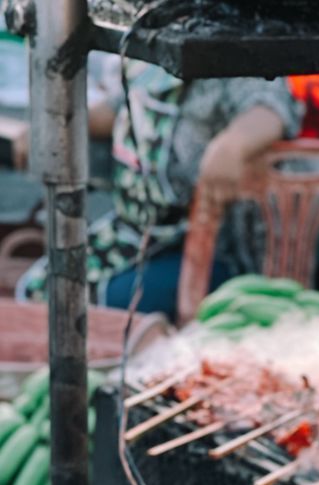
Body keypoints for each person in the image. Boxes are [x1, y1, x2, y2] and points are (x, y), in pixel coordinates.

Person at [17, 59, 302, 318]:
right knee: (42, 289)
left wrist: (232, 145)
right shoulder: (152, 58)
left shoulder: (233, 65)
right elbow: (121, 107)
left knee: (93, 306)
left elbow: (271, 109)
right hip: (140, 236)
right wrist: (56, 123)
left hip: (211, 252)